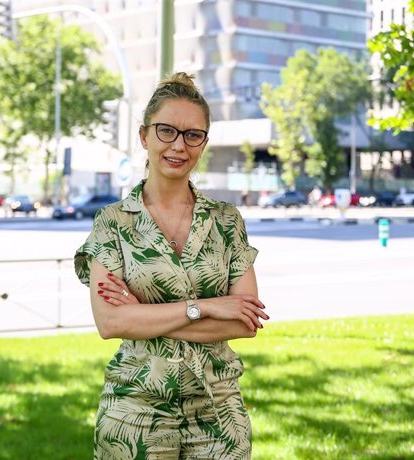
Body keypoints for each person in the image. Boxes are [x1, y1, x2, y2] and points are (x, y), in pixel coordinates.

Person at [74, 72, 269, 459]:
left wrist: (143, 314)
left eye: (192, 135)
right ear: (144, 136)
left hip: (219, 414)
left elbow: (244, 323)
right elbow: (111, 323)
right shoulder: (113, 222)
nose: (179, 145)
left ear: (204, 143)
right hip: (135, 413)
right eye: (167, 131)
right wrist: (208, 307)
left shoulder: (227, 221)